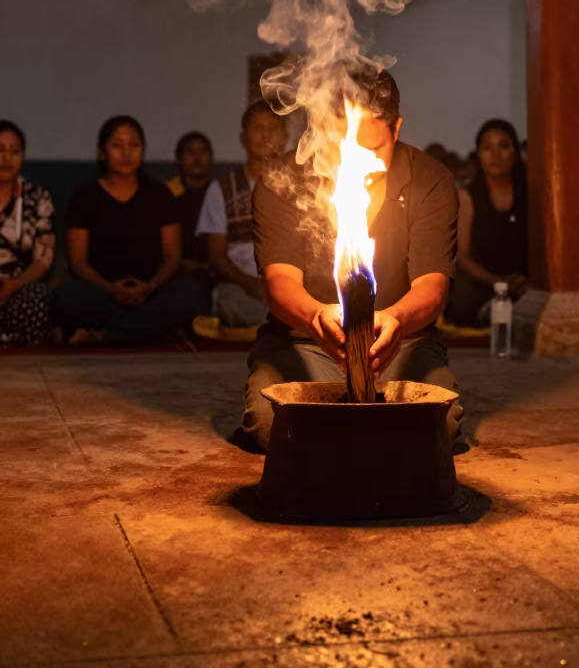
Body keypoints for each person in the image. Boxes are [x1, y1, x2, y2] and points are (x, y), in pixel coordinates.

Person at [242, 69, 462, 452]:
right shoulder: (282, 181)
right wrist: (314, 317)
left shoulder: (430, 180)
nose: (358, 167)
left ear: (397, 129)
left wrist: (395, 320)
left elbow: (432, 287)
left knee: (441, 423)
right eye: (344, 150)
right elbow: (280, 284)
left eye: (373, 151)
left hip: (401, 344)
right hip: (304, 343)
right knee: (269, 425)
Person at [53, 115, 208, 342]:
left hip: (151, 293)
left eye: (134, 145)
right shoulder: (85, 197)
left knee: (192, 294)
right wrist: (110, 289)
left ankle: (108, 334)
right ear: (102, 152)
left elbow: (172, 257)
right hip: (102, 293)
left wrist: (149, 287)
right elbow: (78, 262)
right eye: (117, 145)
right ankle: (153, 331)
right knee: (67, 297)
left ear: (142, 150)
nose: (126, 153)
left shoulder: (160, 195)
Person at [195, 101, 288, 332]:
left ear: (284, 136)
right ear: (243, 138)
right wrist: (252, 285)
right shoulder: (222, 188)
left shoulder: (298, 187)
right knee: (229, 301)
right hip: (241, 285)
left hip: (289, 283)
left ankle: (282, 324)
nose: (265, 134)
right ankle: (286, 326)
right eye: (257, 128)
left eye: (272, 128)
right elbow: (217, 257)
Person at [444, 119, 527, 328]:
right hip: (483, 281)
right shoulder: (468, 196)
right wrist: (496, 282)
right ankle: (493, 311)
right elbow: (462, 256)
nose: (495, 155)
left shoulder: (530, 193)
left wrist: (522, 281)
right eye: (487, 148)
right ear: (479, 154)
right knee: (459, 295)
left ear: (515, 152)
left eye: (504, 146)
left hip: (522, 280)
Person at [0, 121, 55, 346]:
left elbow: (43, 260)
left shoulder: (38, 198)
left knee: (37, 297)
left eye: (15, 151)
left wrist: (14, 284)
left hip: (17, 285)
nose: (7, 158)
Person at [166, 131, 214, 276]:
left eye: (203, 152)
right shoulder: (167, 193)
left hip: (216, 268)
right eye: (190, 152)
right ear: (179, 159)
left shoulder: (219, 193)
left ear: (211, 158)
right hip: (177, 269)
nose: (197, 158)